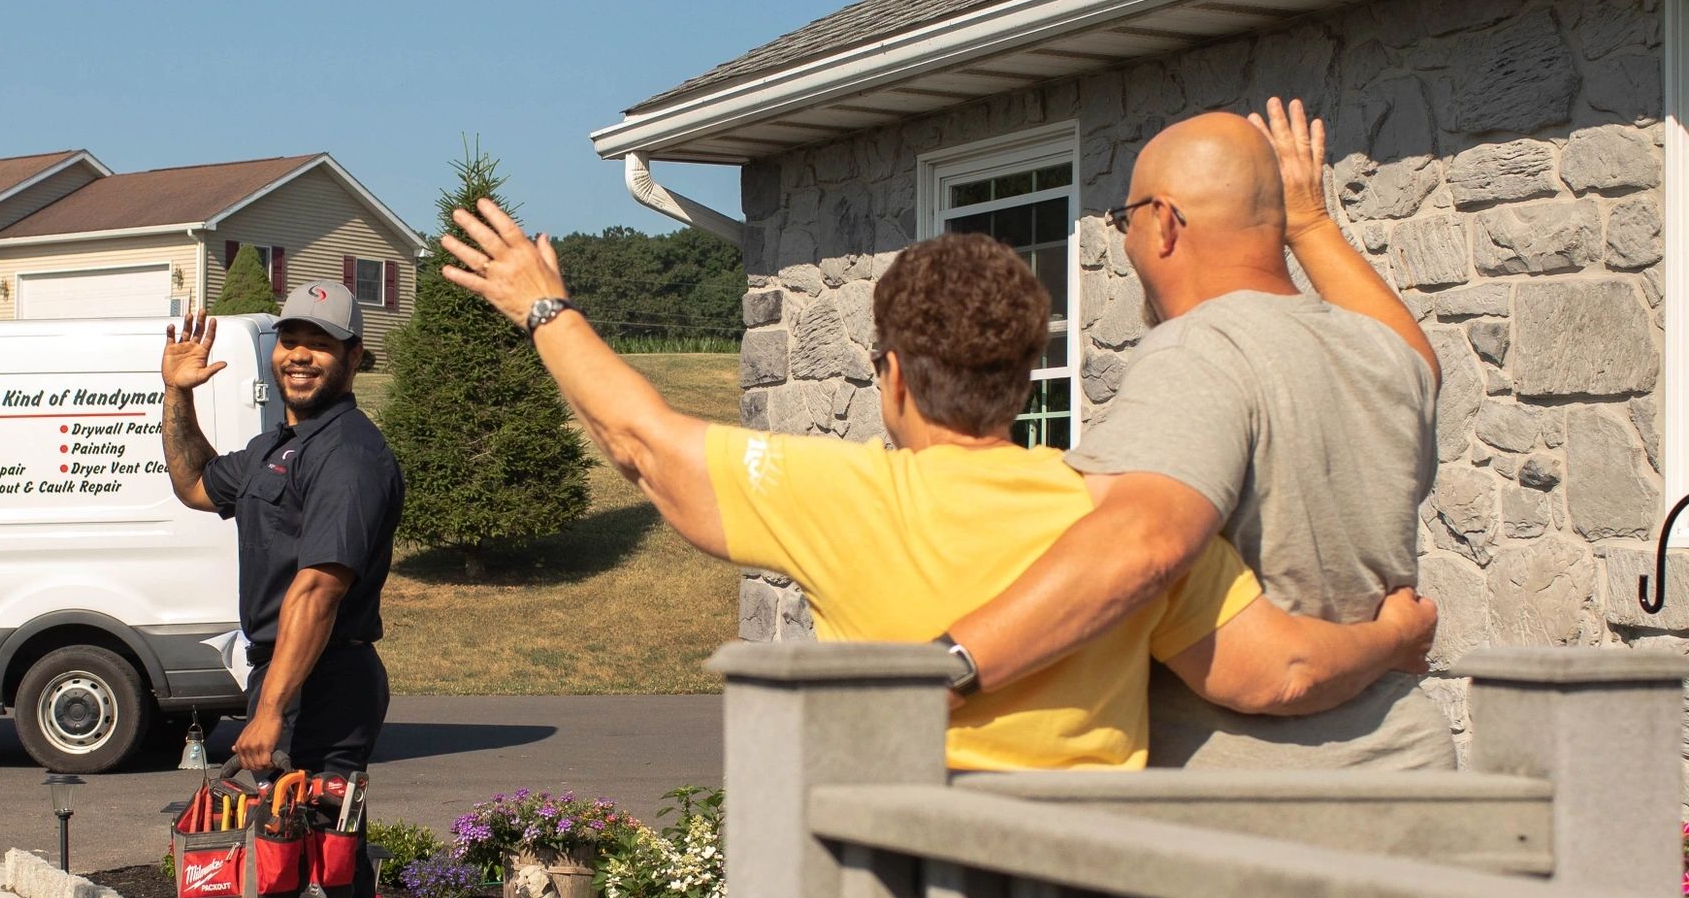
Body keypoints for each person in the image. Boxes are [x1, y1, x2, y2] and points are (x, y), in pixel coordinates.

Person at [435, 202, 1436, 770]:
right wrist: (1390, 638)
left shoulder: (839, 496)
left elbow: (641, 441)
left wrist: (542, 306)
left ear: (897, 375)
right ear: (1017, 379)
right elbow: (1279, 677)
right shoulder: (1113, 513)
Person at [947, 99, 1455, 768]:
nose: (1126, 241)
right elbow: (1415, 348)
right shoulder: (1385, 358)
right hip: (1411, 773)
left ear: (1162, 222)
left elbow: (1142, 543)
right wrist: (1307, 219)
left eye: (1125, 218)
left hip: (1256, 811)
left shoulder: (1198, 350)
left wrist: (941, 672)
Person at [160, 278, 404, 898]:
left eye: (321, 341)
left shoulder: (351, 456)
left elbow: (319, 586)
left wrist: (269, 713)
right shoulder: (279, 446)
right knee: (296, 879)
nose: (299, 352)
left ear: (353, 358)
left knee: (327, 884)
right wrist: (177, 393)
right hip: (287, 679)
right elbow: (193, 482)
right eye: (289, 337)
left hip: (322, 684)